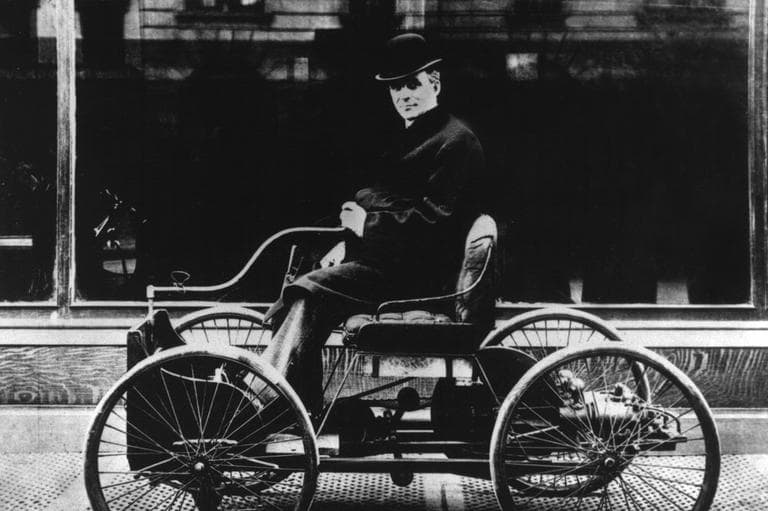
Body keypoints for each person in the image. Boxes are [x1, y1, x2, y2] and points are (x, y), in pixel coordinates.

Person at [260, 33, 485, 414]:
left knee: (308, 290)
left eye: (412, 84)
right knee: (308, 279)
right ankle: (295, 404)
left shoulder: (455, 143)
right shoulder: (415, 135)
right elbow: (375, 195)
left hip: (420, 280)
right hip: (390, 265)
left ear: (435, 82)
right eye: (396, 88)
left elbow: (435, 225)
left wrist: (366, 225)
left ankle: (265, 397)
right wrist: (349, 237)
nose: (404, 95)